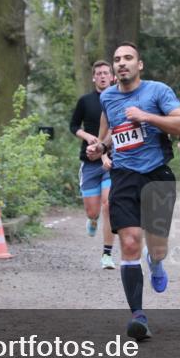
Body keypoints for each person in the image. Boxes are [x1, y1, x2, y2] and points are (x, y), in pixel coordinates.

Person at [87, 42, 180, 341]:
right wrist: (100, 147)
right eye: (117, 59)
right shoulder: (107, 97)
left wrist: (147, 117)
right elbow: (110, 133)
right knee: (130, 242)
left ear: (139, 65)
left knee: (157, 247)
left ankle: (156, 262)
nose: (121, 63)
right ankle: (138, 316)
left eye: (128, 58)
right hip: (124, 176)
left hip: (156, 174)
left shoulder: (157, 91)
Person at [69, 61, 117, 269]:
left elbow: (117, 127)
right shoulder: (85, 101)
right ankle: (93, 220)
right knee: (93, 212)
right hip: (88, 162)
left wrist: (104, 149)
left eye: (106, 73)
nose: (103, 76)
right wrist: (88, 137)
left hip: (111, 162)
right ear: (93, 78)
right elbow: (73, 126)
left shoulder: (117, 100)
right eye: (99, 73)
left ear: (113, 77)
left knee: (109, 205)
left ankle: (107, 254)